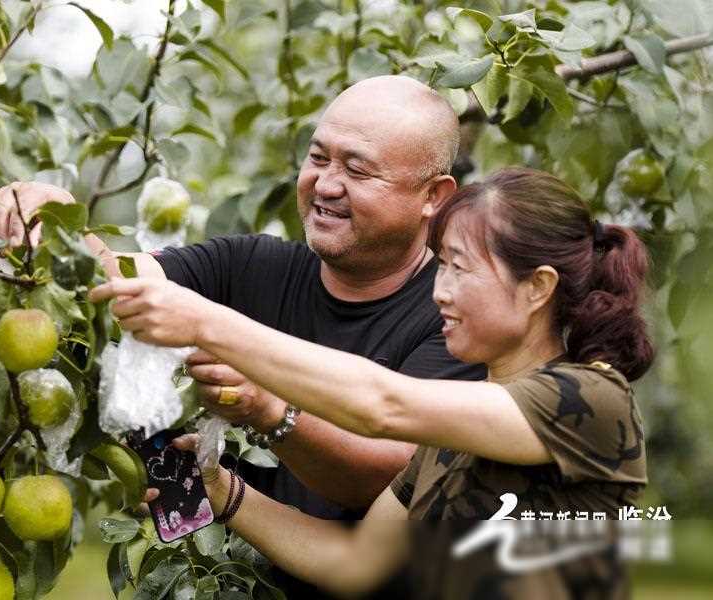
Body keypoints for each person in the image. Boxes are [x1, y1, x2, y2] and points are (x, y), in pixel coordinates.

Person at [89, 167, 653, 596]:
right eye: (440, 266)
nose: (440, 292)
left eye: (459, 268)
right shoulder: (455, 434)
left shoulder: (592, 399)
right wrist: (221, 491)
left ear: (537, 287)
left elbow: (382, 404)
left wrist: (203, 322)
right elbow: (357, 561)